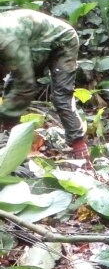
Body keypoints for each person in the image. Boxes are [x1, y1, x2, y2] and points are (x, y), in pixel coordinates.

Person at [0, 9, 88, 159]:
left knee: (61, 96)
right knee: (11, 87)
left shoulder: (7, 42)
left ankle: (80, 149)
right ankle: (9, 144)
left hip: (61, 39)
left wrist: (4, 115)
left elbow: (25, 85)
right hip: (31, 41)